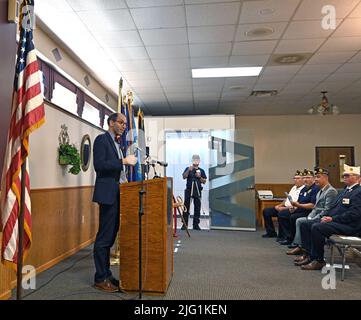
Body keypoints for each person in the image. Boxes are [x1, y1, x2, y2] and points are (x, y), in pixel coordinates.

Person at [92, 113, 137, 292]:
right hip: (107, 194)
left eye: (125, 123)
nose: (124, 125)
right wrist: (123, 161)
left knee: (111, 235)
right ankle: (100, 278)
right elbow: (99, 165)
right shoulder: (101, 140)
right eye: (120, 122)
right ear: (111, 123)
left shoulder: (118, 144)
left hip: (118, 193)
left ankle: (107, 273)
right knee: (104, 237)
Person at [296, 164, 361, 270]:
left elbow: (354, 214)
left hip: (350, 226)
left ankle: (319, 260)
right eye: (344, 175)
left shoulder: (358, 192)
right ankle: (309, 255)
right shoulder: (345, 190)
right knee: (305, 224)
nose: (345, 177)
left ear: (358, 178)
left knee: (317, 227)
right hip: (339, 222)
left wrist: (332, 219)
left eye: (348, 175)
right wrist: (326, 216)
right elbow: (333, 208)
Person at [287, 167, 337, 254]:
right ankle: (302, 247)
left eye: (318, 177)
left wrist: (313, 219)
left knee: (302, 222)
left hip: (323, 218)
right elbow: (316, 208)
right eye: (316, 177)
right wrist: (310, 217)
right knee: (301, 221)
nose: (316, 179)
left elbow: (327, 210)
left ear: (325, 177)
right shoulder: (320, 190)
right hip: (315, 215)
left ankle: (305, 249)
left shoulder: (331, 191)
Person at [277, 169, 319, 245]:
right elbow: (299, 201)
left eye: (308, 177)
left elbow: (312, 205)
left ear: (313, 178)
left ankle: (293, 240)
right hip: (300, 209)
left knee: (293, 217)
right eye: (305, 178)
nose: (306, 179)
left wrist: (297, 206)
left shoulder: (315, 189)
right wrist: (294, 207)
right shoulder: (304, 189)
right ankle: (288, 237)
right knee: (283, 214)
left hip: (308, 211)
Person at [262, 170, 304, 239]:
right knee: (266, 211)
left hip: (292, 209)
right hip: (285, 206)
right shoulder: (294, 187)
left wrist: (283, 208)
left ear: (303, 180)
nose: (296, 180)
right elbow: (287, 199)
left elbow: (297, 204)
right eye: (295, 178)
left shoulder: (303, 189)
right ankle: (271, 232)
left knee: (282, 213)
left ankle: (284, 236)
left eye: (298, 178)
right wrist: (279, 205)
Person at [182, 154, 207, 230]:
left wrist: (199, 177)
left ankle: (196, 224)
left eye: (197, 159)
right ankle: (184, 224)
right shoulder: (188, 168)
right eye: (194, 159)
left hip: (197, 190)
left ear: (199, 161)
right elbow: (184, 176)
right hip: (189, 190)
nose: (196, 161)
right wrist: (188, 170)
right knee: (186, 207)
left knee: (197, 207)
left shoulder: (201, 170)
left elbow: (204, 181)